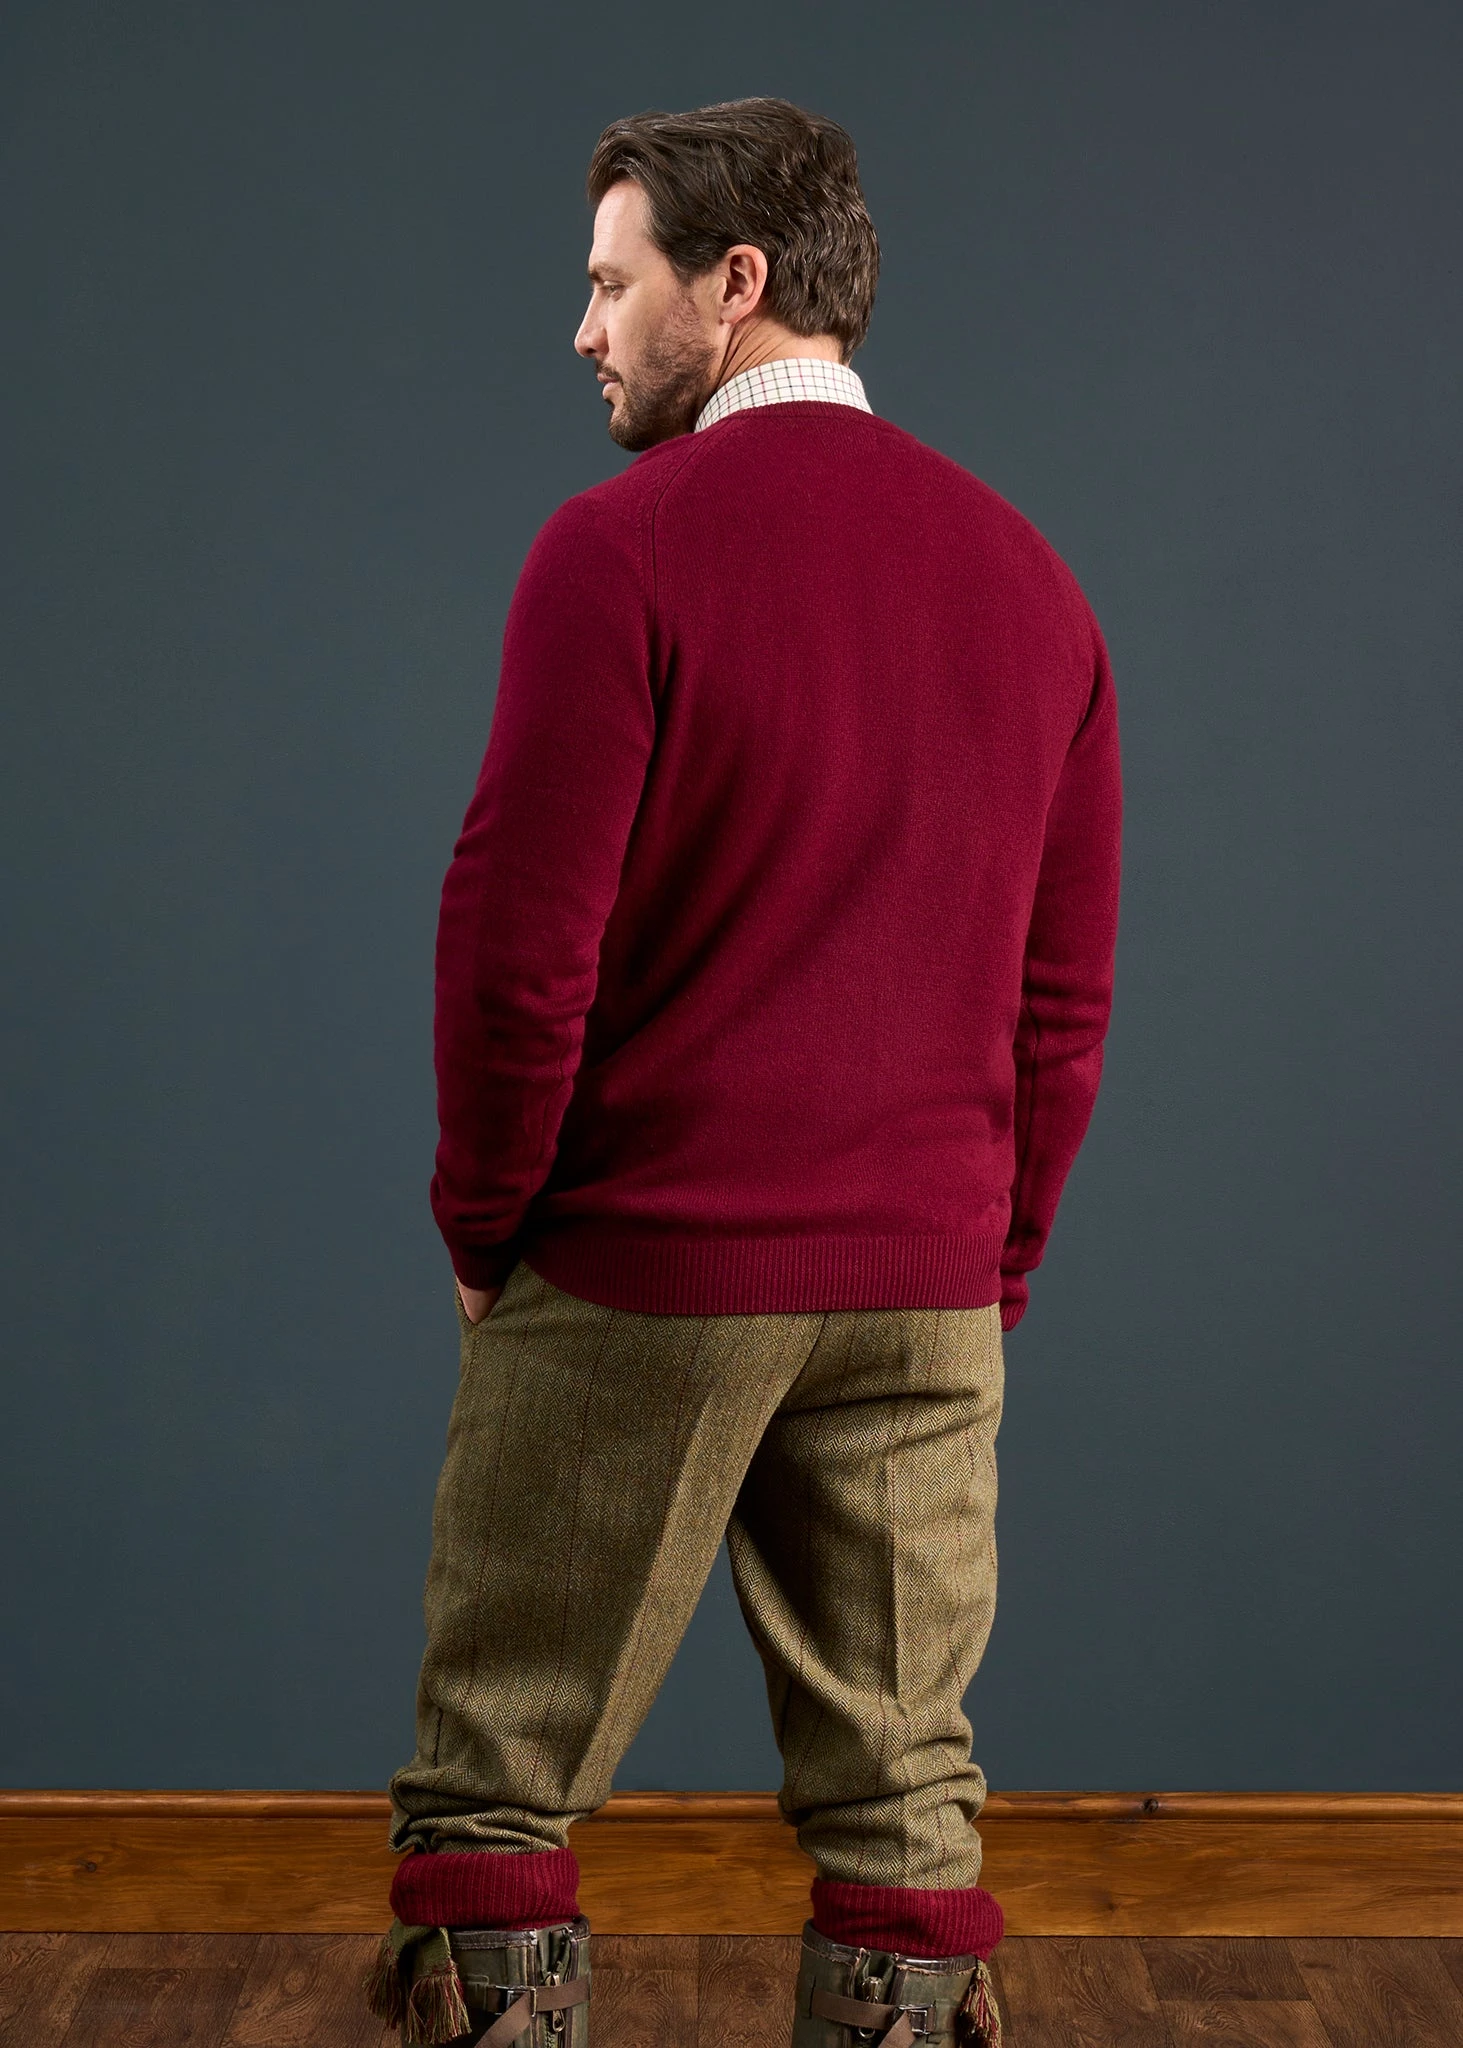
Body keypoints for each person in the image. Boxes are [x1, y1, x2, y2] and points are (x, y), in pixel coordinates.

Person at [366, 94, 1122, 2048]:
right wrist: (987, 1262)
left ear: (734, 283)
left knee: (497, 1790)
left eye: (610, 285)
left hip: (649, 1260)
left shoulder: (617, 554)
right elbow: (1060, 1001)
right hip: (925, 1279)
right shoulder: (1030, 581)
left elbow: (516, 947)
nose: (582, 329)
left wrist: (484, 1222)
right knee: (904, 1810)